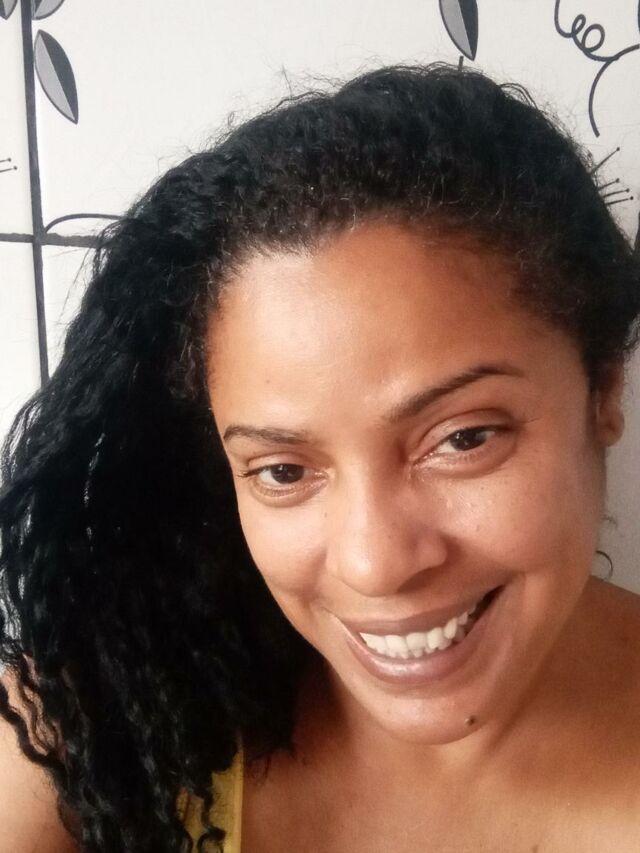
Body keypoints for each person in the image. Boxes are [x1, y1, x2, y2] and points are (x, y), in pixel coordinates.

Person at [1, 61, 640, 853]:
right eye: (284, 471)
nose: (375, 564)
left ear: (603, 386)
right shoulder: (104, 724)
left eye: (463, 438)